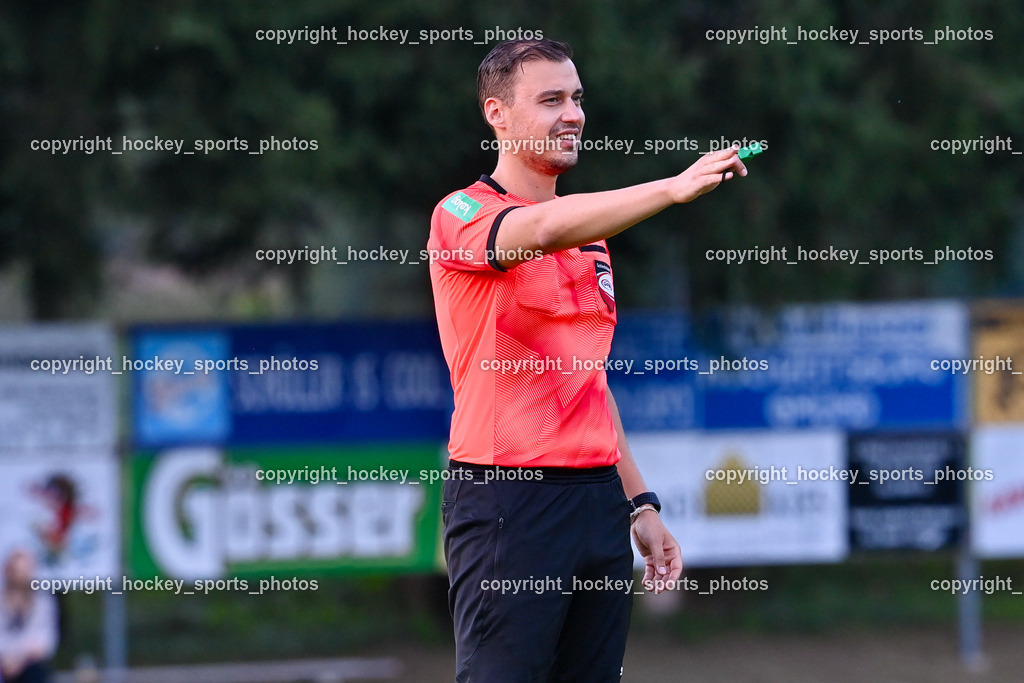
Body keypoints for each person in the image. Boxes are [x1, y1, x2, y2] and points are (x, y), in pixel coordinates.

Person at [428, 38, 747, 682]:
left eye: (576, 98)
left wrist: (640, 504)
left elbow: (587, 381)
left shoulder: (591, 235)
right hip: (509, 499)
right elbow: (542, 229)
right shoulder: (461, 213)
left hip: (598, 501)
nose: (572, 114)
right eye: (550, 100)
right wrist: (673, 187)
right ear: (497, 114)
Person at [0, 550, 58, 683]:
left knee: (36, 672)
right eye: (17, 571)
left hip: (30, 664)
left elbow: (46, 640)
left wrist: (20, 658)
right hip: (3, 662)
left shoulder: (43, 600)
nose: (21, 577)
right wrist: (7, 657)